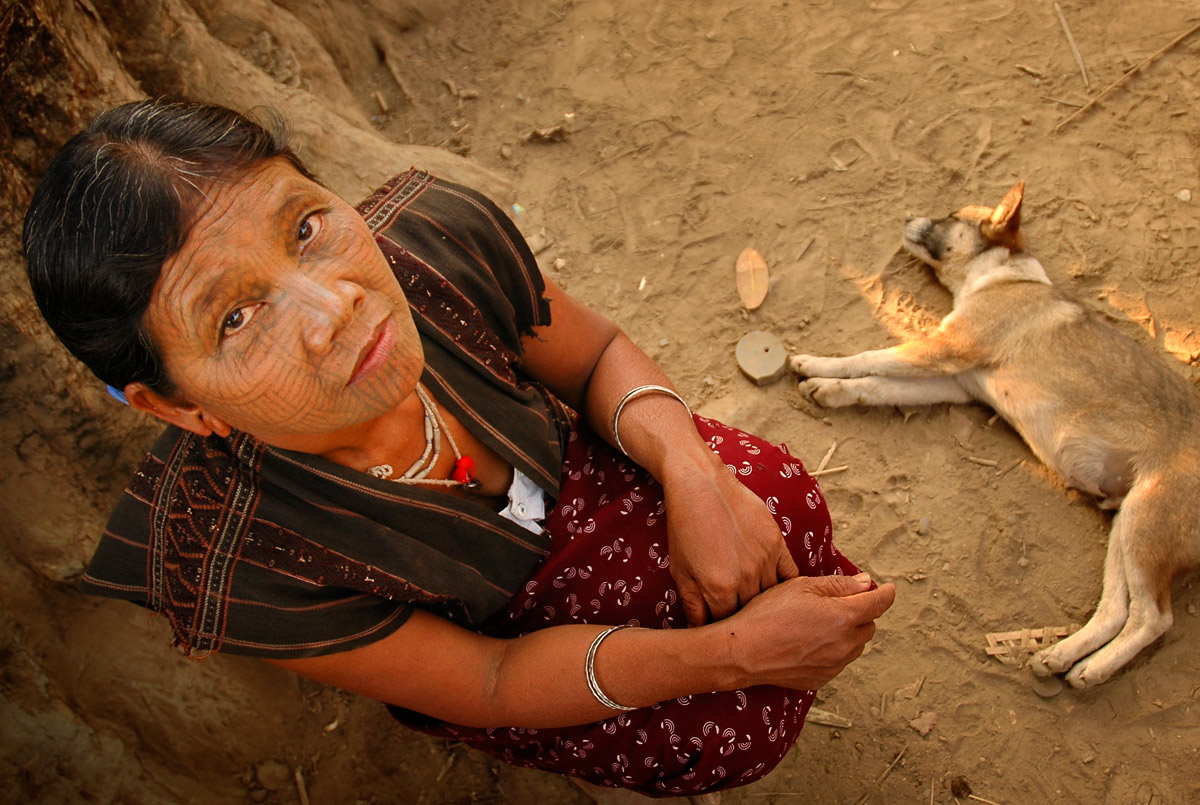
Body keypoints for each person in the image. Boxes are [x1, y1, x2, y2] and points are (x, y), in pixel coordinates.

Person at [23, 100, 895, 801]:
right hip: (508, 645)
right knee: (731, 725)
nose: (335, 310)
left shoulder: (429, 246)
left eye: (302, 230)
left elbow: (593, 357)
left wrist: (693, 475)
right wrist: (737, 651)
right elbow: (490, 679)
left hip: (581, 482)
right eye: (237, 318)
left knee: (772, 495)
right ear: (173, 403)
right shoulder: (237, 556)